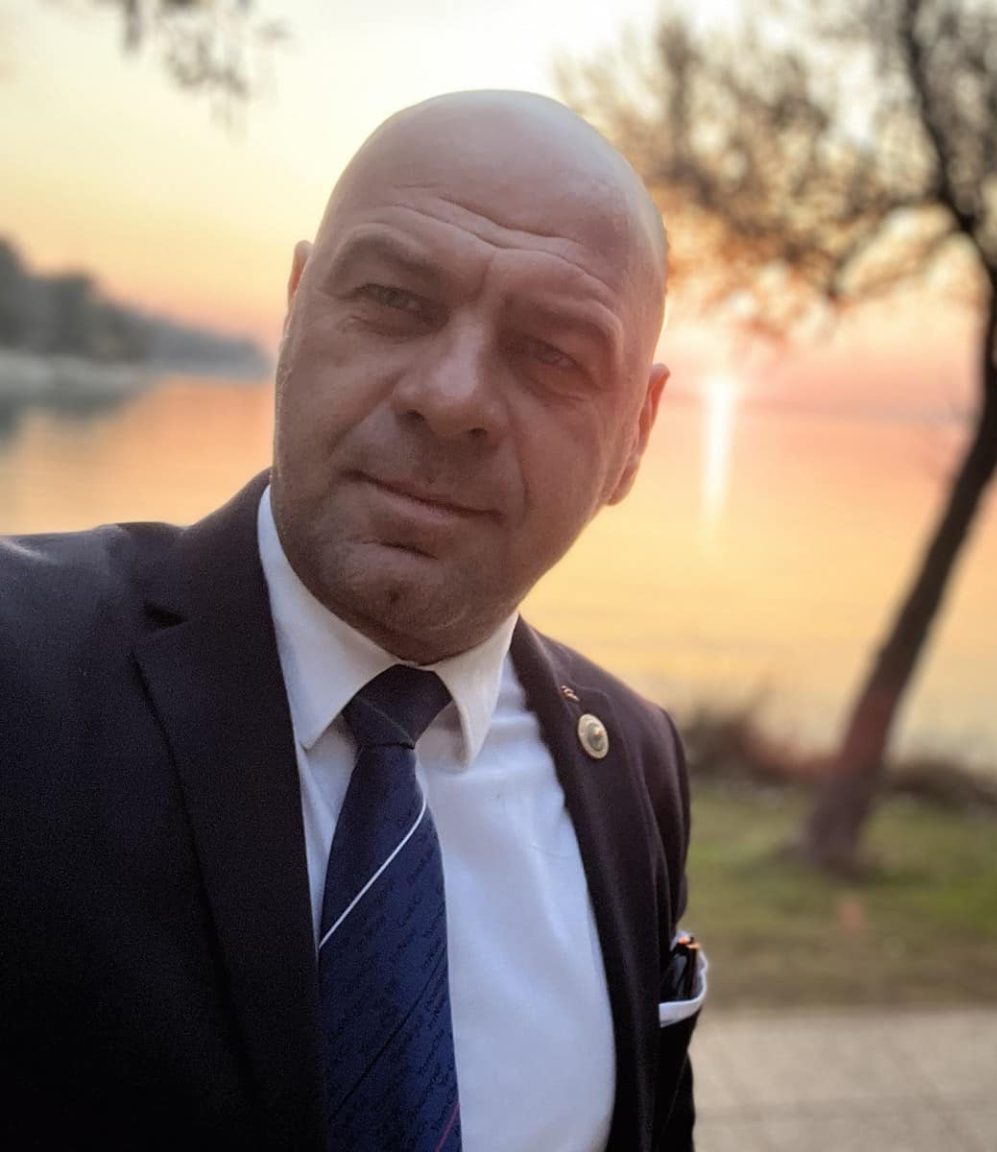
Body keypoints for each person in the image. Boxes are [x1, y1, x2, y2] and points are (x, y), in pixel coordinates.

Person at [0, 91, 700, 1151]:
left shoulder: (634, 766)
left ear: (636, 435)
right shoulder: (23, 674)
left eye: (554, 351)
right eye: (394, 298)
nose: (451, 396)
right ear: (295, 312)